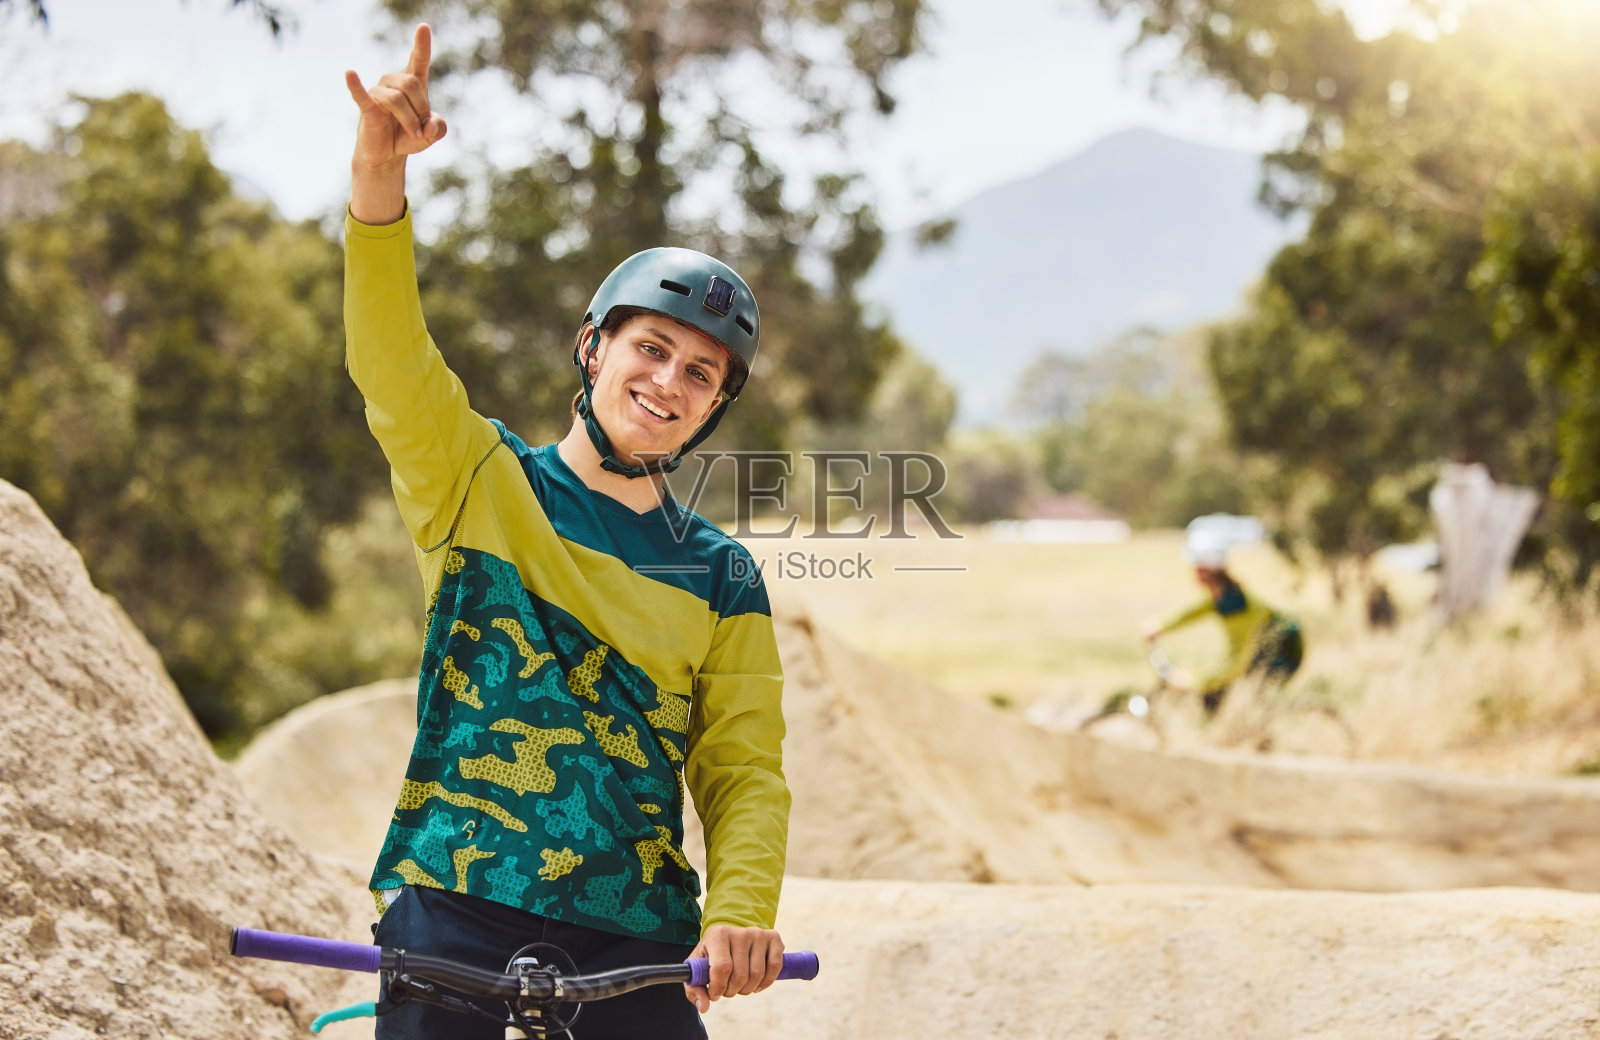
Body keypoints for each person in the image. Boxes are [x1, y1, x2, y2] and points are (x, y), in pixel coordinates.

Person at [342, 24, 789, 1039]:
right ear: (593, 349)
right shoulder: (475, 478)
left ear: (716, 405)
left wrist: (740, 909)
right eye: (652, 347)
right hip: (452, 897)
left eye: (700, 373)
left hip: (632, 935)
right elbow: (388, 355)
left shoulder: (721, 575)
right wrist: (378, 176)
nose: (668, 382)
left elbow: (742, 766)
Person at [1143, 531, 1303, 717]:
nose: (1193, 570)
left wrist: (1193, 682)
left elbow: (1236, 663)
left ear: (1209, 570)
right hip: (1263, 650)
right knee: (1220, 697)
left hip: (1285, 652)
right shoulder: (1221, 596)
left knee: (1229, 696)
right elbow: (1192, 612)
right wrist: (1160, 625)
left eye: (1197, 566)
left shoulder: (1238, 607)